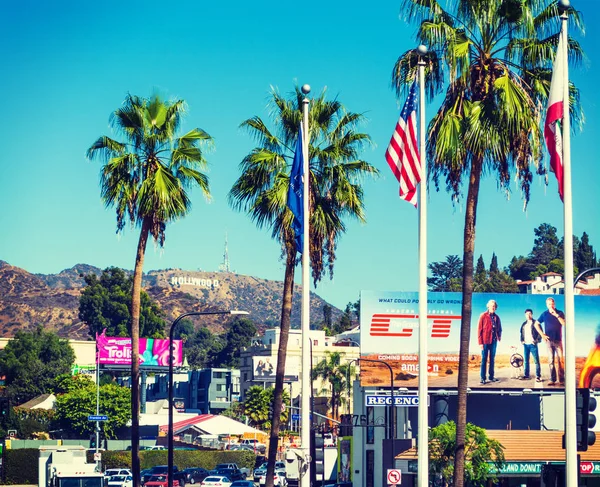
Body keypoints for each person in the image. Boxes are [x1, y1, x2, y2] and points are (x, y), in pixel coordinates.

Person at [534, 297, 565, 386]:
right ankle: (552, 379)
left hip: (558, 340)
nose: (551, 305)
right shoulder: (544, 314)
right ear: (547, 305)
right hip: (549, 341)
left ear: (554, 304)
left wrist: (556, 315)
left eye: (552, 304)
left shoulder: (560, 312)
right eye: (549, 304)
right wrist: (542, 335)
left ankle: (562, 380)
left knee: (560, 361)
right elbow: (536, 324)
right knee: (551, 360)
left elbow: (564, 323)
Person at [478, 299, 502, 384]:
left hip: (494, 341)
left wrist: (499, 337)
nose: (493, 307)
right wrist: (480, 343)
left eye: (494, 306)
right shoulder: (483, 316)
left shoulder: (497, 317)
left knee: (492, 359)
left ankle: (491, 377)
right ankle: (483, 378)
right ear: (488, 306)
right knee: (484, 359)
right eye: (491, 306)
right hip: (485, 341)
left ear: (496, 307)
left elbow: (500, 329)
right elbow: (479, 330)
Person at [519, 308, 542, 382]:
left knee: (536, 361)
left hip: (533, 345)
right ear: (525, 315)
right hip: (526, 345)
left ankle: (538, 376)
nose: (528, 315)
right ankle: (526, 375)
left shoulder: (536, 323)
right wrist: (522, 340)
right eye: (527, 314)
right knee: (526, 361)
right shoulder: (524, 324)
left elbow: (540, 334)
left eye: (530, 314)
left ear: (532, 314)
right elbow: (521, 333)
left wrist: (535, 341)